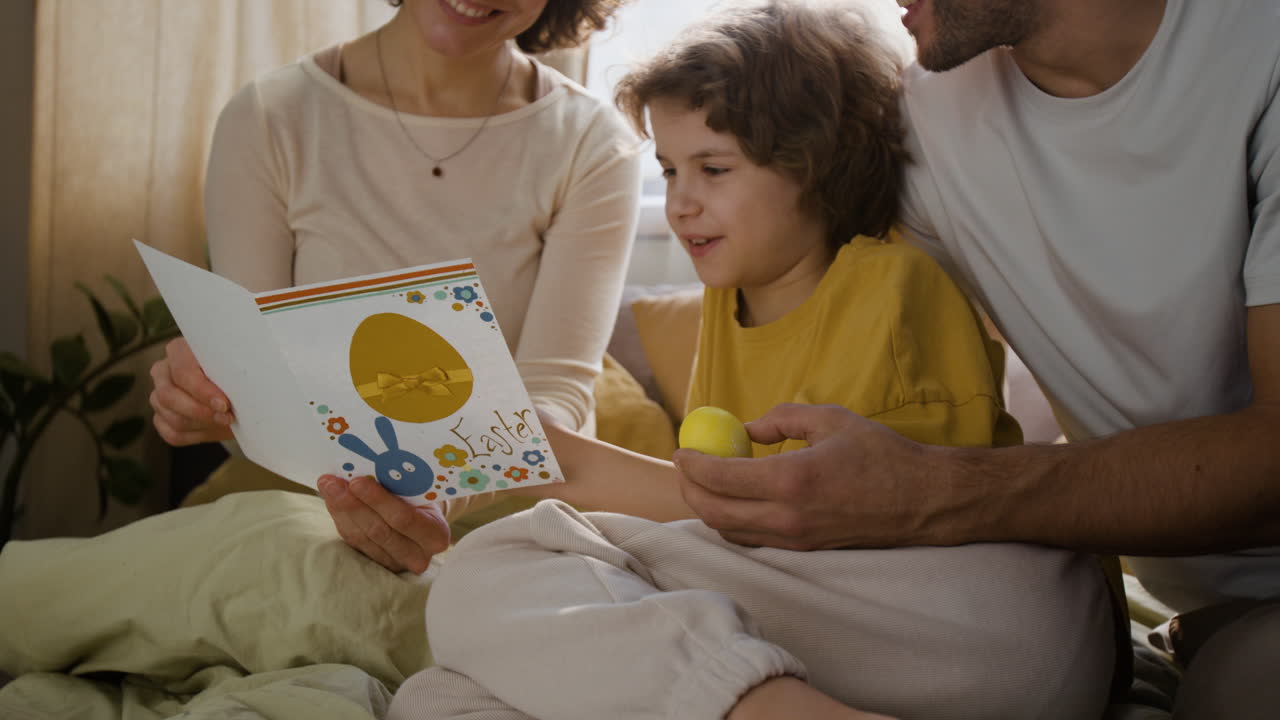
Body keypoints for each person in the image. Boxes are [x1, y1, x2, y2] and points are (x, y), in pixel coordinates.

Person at [387, 3, 1114, 718]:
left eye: (713, 168)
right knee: (442, 699)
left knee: (497, 567)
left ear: (816, 167)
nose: (681, 204)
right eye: (669, 171)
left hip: (983, 615)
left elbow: (830, 529)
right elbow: (736, 522)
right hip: (861, 628)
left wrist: (556, 462)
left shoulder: (892, 287)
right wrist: (526, 458)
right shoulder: (729, 301)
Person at [671, 0, 1280, 715]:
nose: (684, 199)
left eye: (710, 168)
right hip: (1205, 621)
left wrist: (931, 492)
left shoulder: (1256, 49)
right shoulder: (929, 117)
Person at [148, 0, 642, 573]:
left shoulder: (591, 140)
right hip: (293, 506)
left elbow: (555, 394)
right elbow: (255, 379)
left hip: (502, 516)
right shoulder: (270, 114)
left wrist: (434, 496)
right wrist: (213, 403)